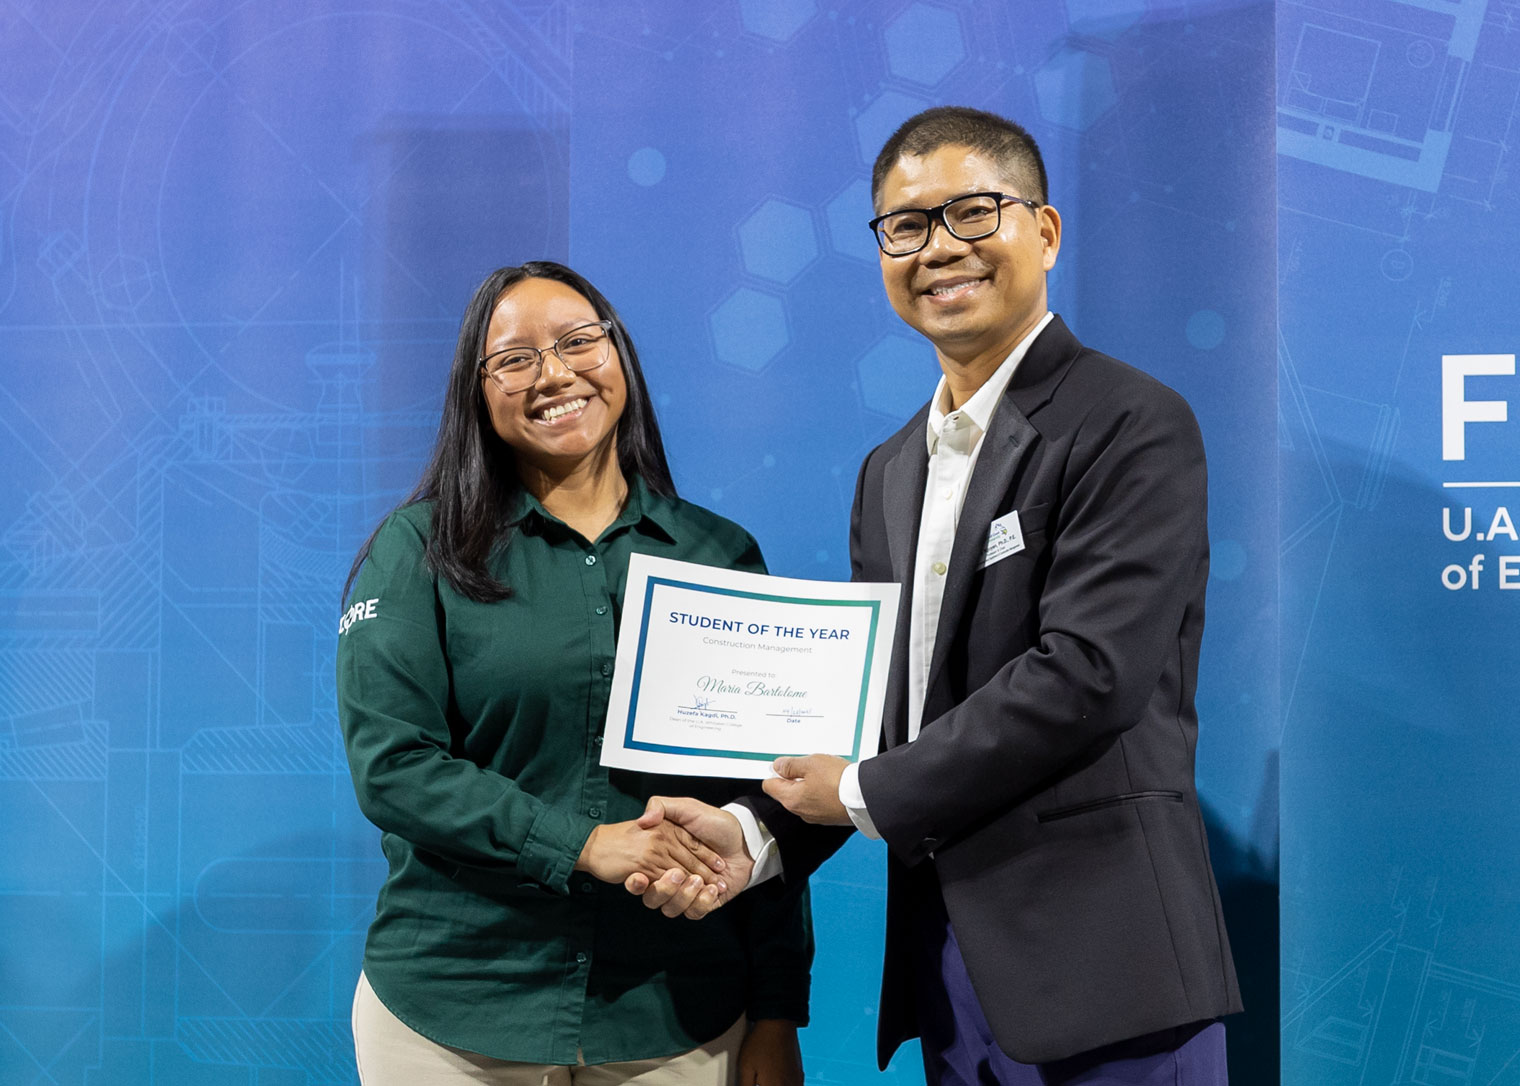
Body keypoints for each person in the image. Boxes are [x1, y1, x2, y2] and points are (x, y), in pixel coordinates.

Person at [628, 107, 1242, 1084]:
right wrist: (752, 832)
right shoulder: (888, 470)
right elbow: (884, 711)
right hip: (950, 980)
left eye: (970, 213)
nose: (936, 249)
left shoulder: (1128, 421)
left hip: (1107, 975)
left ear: (1041, 231)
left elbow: (1087, 673)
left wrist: (860, 793)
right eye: (904, 226)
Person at [336, 261, 811, 1085]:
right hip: (454, 1010)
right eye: (515, 359)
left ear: (618, 354)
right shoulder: (418, 551)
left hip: (676, 1013)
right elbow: (394, 768)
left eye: (578, 341)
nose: (554, 373)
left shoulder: (722, 556)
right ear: (476, 393)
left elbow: (769, 794)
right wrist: (583, 845)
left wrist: (776, 1010)